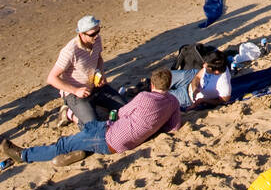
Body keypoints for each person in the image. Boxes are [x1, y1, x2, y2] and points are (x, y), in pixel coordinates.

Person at [1, 70, 182, 168]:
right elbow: (173, 127)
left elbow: (122, 112)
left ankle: (23, 156)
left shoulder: (144, 97)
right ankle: (81, 147)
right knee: (88, 129)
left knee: (64, 143)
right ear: (168, 84)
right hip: (116, 138)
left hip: (107, 137)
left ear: (151, 84)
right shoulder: (173, 102)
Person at [46, 15, 125, 127]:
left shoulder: (97, 40)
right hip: (76, 94)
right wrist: (76, 90)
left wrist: (101, 73)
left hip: (95, 87)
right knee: (93, 126)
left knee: (125, 109)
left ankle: (94, 106)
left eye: (98, 31)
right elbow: (51, 78)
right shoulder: (70, 51)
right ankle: (70, 113)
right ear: (81, 34)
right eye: (92, 34)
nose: (96, 36)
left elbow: (99, 58)